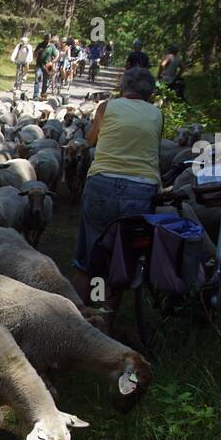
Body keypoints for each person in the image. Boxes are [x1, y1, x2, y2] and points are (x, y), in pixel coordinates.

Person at [71, 66, 164, 328]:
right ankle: (104, 325)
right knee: (120, 258)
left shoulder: (106, 107)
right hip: (141, 190)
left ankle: (75, 325)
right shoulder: (157, 114)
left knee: (89, 257)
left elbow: (90, 140)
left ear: (123, 87)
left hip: (103, 184)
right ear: (151, 93)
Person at [34, 34, 57, 99]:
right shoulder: (40, 45)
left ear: (50, 39)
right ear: (44, 38)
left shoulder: (52, 46)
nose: (47, 40)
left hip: (48, 65)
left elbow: (56, 56)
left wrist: (52, 62)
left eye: (48, 39)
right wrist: (38, 52)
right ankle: (35, 95)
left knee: (45, 81)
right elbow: (35, 54)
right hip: (39, 64)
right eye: (46, 38)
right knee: (37, 79)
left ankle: (43, 95)